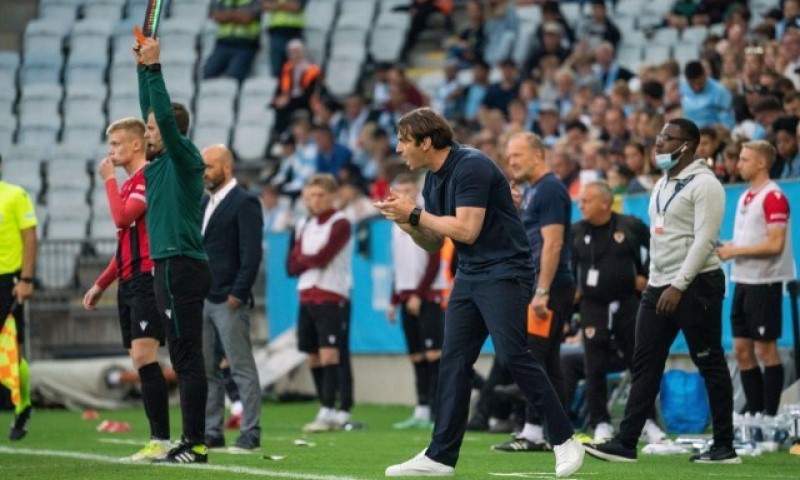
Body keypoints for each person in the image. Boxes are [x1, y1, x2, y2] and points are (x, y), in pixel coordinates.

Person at [375, 108, 583, 478]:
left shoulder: (471, 165)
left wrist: (416, 214)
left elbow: (467, 230)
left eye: (404, 141)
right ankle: (440, 457)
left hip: (506, 270)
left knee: (512, 353)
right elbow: (434, 240)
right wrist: (407, 222)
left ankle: (564, 438)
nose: (398, 148)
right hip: (470, 273)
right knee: (454, 361)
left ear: (426, 141)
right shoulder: (433, 180)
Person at [585, 118, 739, 464]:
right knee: (644, 363)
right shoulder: (662, 184)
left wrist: (678, 284)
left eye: (667, 138)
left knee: (709, 362)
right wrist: (656, 282)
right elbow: (659, 239)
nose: (658, 143)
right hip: (659, 286)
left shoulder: (706, 184)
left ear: (688, 145)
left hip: (696, 284)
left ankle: (724, 446)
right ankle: (626, 442)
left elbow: (704, 241)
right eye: (659, 137)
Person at [135, 37, 212, 463]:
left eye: (150, 129)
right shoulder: (161, 162)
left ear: (169, 131)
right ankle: (190, 440)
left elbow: (161, 116)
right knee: (181, 356)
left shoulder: (185, 158)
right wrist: (142, 70)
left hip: (181, 265)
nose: (146, 133)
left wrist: (155, 68)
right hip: (168, 265)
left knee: (185, 356)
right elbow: (151, 109)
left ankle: (195, 443)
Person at [82, 118, 171, 460]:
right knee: (139, 359)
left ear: (136, 144)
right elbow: (123, 245)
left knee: (145, 357)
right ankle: (159, 439)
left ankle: (161, 441)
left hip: (148, 277)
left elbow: (121, 218)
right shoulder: (129, 183)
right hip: (129, 280)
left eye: (116, 144)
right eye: (110, 145)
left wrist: (108, 179)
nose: (111, 151)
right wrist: (101, 283)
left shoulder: (147, 177)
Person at [491, 132, 575, 453]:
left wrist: (542, 290)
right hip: (544, 284)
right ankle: (559, 433)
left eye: (518, 155)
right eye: (509, 156)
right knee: (548, 362)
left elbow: (553, 243)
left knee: (532, 358)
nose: (511, 162)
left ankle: (533, 431)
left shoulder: (550, 188)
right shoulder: (533, 190)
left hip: (550, 286)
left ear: (538, 155)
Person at [571, 181, 665, 443]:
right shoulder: (576, 231)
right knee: (594, 365)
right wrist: (573, 292)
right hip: (592, 305)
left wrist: (645, 274)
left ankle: (647, 421)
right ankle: (600, 422)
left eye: (586, 200)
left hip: (627, 303)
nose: (581, 205)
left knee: (639, 362)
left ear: (605, 202)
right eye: (580, 200)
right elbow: (567, 264)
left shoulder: (629, 225)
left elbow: (658, 244)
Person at [716, 141, 795, 416]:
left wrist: (735, 251)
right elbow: (749, 240)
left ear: (761, 163)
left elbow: (775, 244)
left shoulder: (774, 197)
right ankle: (755, 413)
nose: (738, 164)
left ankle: (770, 416)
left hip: (764, 283)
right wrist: (728, 246)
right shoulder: (745, 197)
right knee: (741, 350)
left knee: (766, 350)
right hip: (742, 280)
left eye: (744, 159)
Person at [199, 144, 264, 452]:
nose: (203, 173)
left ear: (226, 167)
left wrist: (238, 293)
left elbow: (251, 254)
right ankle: (212, 431)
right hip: (203, 297)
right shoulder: (203, 201)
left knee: (240, 367)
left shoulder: (245, 201)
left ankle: (250, 433)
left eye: (209, 166)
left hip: (228, 299)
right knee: (207, 369)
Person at [287, 174, 354, 432]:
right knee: (312, 357)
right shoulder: (303, 223)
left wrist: (304, 258)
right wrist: (307, 258)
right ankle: (326, 407)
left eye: (321, 195)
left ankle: (332, 409)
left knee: (330, 353)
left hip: (331, 294)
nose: (315, 201)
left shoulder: (340, 223)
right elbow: (291, 266)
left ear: (333, 196)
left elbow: (322, 258)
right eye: (311, 196)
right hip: (306, 294)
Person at [387, 173, 445, 430]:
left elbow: (434, 259)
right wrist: (394, 299)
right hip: (405, 296)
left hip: (427, 296)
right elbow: (398, 266)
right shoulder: (394, 224)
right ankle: (421, 409)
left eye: (408, 189)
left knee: (434, 355)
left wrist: (418, 295)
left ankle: (437, 411)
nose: (403, 194)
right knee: (416, 356)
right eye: (399, 190)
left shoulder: (426, 216)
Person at [0, 154, 38, 441]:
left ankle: (23, 406)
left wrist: (26, 279)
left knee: (12, 349)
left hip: (8, 282)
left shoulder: (15, 195)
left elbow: (30, 238)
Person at [203, 0, 262, 82]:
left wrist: (226, 15)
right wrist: (238, 15)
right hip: (223, 44)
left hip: (245, 44)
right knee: (208, 73)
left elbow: (246, 18)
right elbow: (215, 15)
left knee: (233, 78)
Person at [272, 39, 321, 135]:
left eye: (296, 52)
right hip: (290, 99)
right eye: (291, 52)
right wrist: (277, 98)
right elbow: (280, 87)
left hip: (305, 99)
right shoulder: (287, 68)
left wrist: (289, 98)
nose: (293, 55)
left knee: (285, 107)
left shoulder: (312, 69)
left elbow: (311, 91)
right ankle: (280, 134)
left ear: (302, 52)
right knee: (277, 106)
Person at [263, 0, 307, 78]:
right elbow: (265, 5)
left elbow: (296, 7)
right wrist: (285, 5)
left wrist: (276, 5)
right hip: (277, 33)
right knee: (277, 69)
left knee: (296, 69)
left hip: (295, 33)